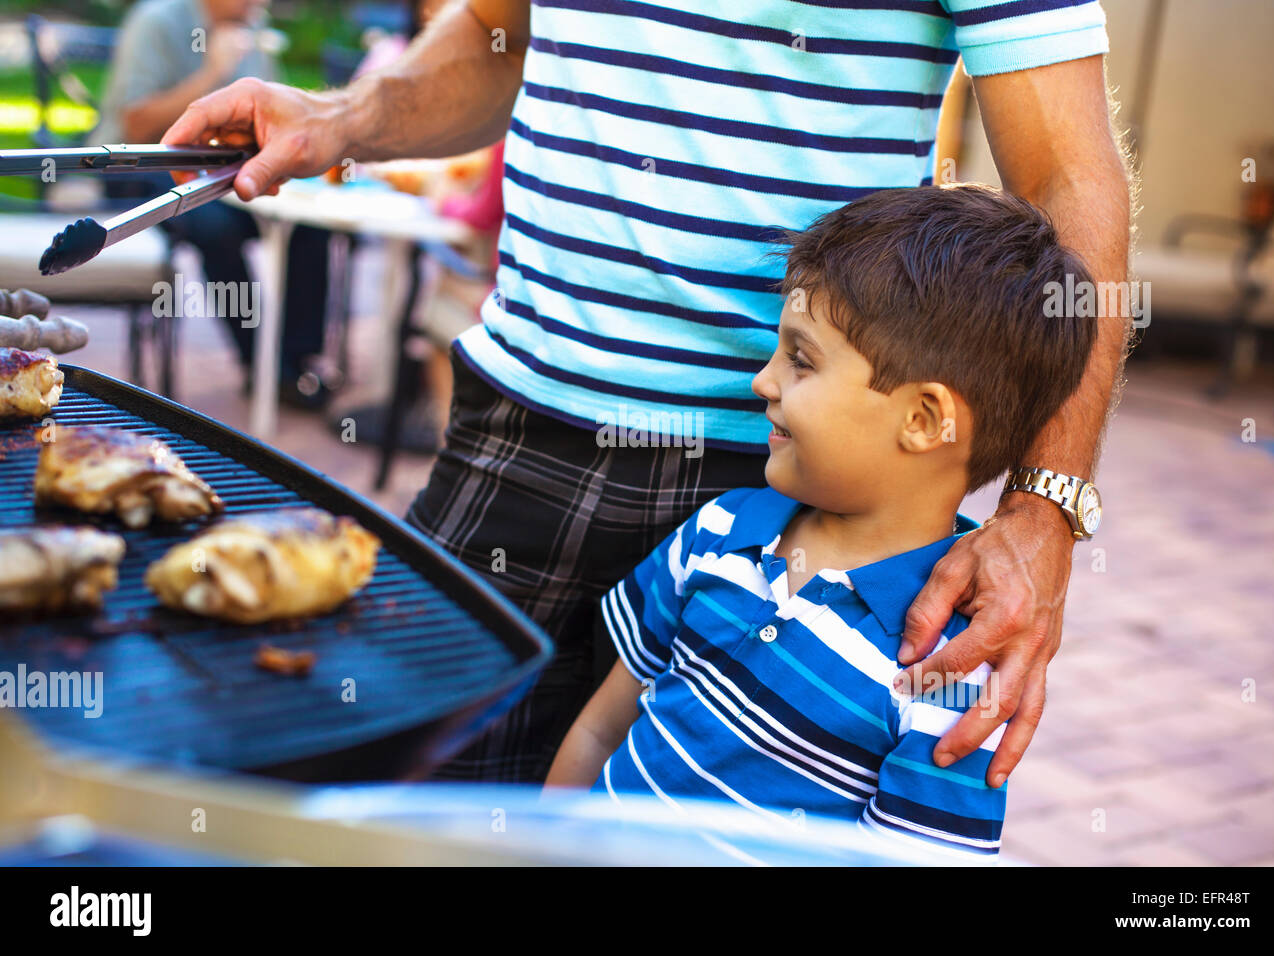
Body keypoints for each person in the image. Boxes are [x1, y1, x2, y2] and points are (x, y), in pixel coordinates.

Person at [163, 0, 1133, 785]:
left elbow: (1065, 178)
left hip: (791, 476)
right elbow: (504, 36)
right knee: (399, 806)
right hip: (517, 436)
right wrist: (339, 119)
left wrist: (1045, 509)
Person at [545, 184, 1097, 858]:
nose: (763, 381)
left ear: (924, 421)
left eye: (800, 360)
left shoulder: (948, 678)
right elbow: (602, 732)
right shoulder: (720, 533)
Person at [95, 0, 333, 408]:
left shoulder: (253, 24)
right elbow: (135, 123)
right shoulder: (158, 21)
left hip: (218, 165)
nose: (260, 4)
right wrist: (214, 72)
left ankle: (296, 361)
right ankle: (261, 364)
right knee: (215, 228)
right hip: (138, 165)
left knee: (312, 221)